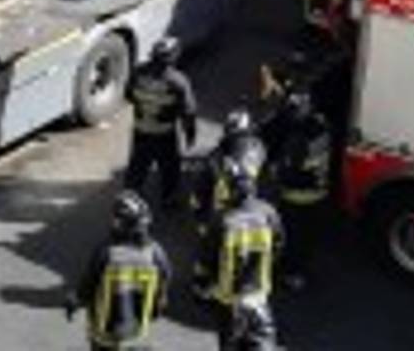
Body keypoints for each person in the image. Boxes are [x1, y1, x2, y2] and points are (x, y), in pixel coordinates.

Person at [68, 190, 172, 351]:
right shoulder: (156, 253)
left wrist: (73, 302)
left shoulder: (107, 252)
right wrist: (157, 308)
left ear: (121, 223)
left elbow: (88, 285)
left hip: (104, 332)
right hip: (138, 330)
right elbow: (164, 283)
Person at [194, 167, 283, 351]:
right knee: (262, 340)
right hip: (259, 294)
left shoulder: (222, 219)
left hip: (228, 299)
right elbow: (278, 244)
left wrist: (202, 284)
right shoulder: (268, 213)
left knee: (230, 342)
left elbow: (207, 256)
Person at [266, 89, 330, 290]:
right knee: (307, 238)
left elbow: (287, 170)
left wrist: (274, 172)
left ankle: (291, 275)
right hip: (319, 193)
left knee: (291, 238)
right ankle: (300, 271)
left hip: (296, 198)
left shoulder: (298, 140)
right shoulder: (322, 128)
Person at [123, 37, 198, 208]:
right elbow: (188, 111)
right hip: (164, 134)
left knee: (137, 167)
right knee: (170, 168)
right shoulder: (178, 81)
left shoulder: (138, 72)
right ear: (172, 57)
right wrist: (190, 134)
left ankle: (129, 201)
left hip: (140, 130)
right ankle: (169, 199)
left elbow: (128, 95)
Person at [191, 109, 267, 236]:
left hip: (227, 214)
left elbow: (201, 190)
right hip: (254, 211)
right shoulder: (259, 147)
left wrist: (201, 219)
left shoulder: (216, 157)